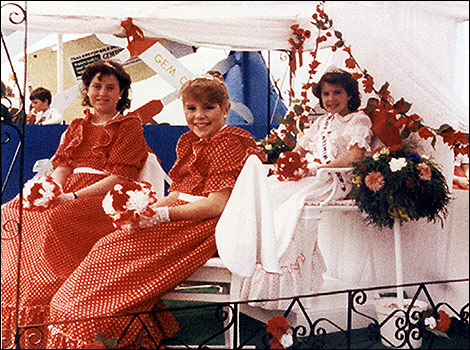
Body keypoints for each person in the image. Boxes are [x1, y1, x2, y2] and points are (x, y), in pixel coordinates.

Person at [40, 71, 267, 348]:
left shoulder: (230, 140)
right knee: (109, 244)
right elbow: (176, 194)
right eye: (191, 108)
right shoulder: (187, 141)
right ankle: (95, 321)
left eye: (209, 108)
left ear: (226, 109)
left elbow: (216, 205)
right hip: (182, 215)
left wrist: (162, 215)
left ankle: (94, 322)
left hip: (205, 224)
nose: (199, 116)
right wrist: (144, 210)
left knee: (121, 252)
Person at [1, 60, 151, 349]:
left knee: (55, 219)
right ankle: (15, 294)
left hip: (104, 196)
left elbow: (120, 177)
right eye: (97, 86)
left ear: (121, 92)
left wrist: (70, 197)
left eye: (110, 87)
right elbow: (63, 167)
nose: (102, 93)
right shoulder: (78, 125)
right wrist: (49, 189)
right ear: (87, 89)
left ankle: (50, 298)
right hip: (68, 189)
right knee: (12, 212)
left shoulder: (128, 126)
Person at [215, 68, 374, 309]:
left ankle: (283, 269)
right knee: (269, 189)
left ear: (349, 95)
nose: (330, 99)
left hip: (335, 179)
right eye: (326, 94)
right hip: (315, 175)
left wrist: (318, 167)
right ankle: (255, 259)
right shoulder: (321, 122)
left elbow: (354, 157)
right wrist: (290, 165)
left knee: (290, 201)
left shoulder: (357, 120)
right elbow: (299, 152)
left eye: (337, 92)